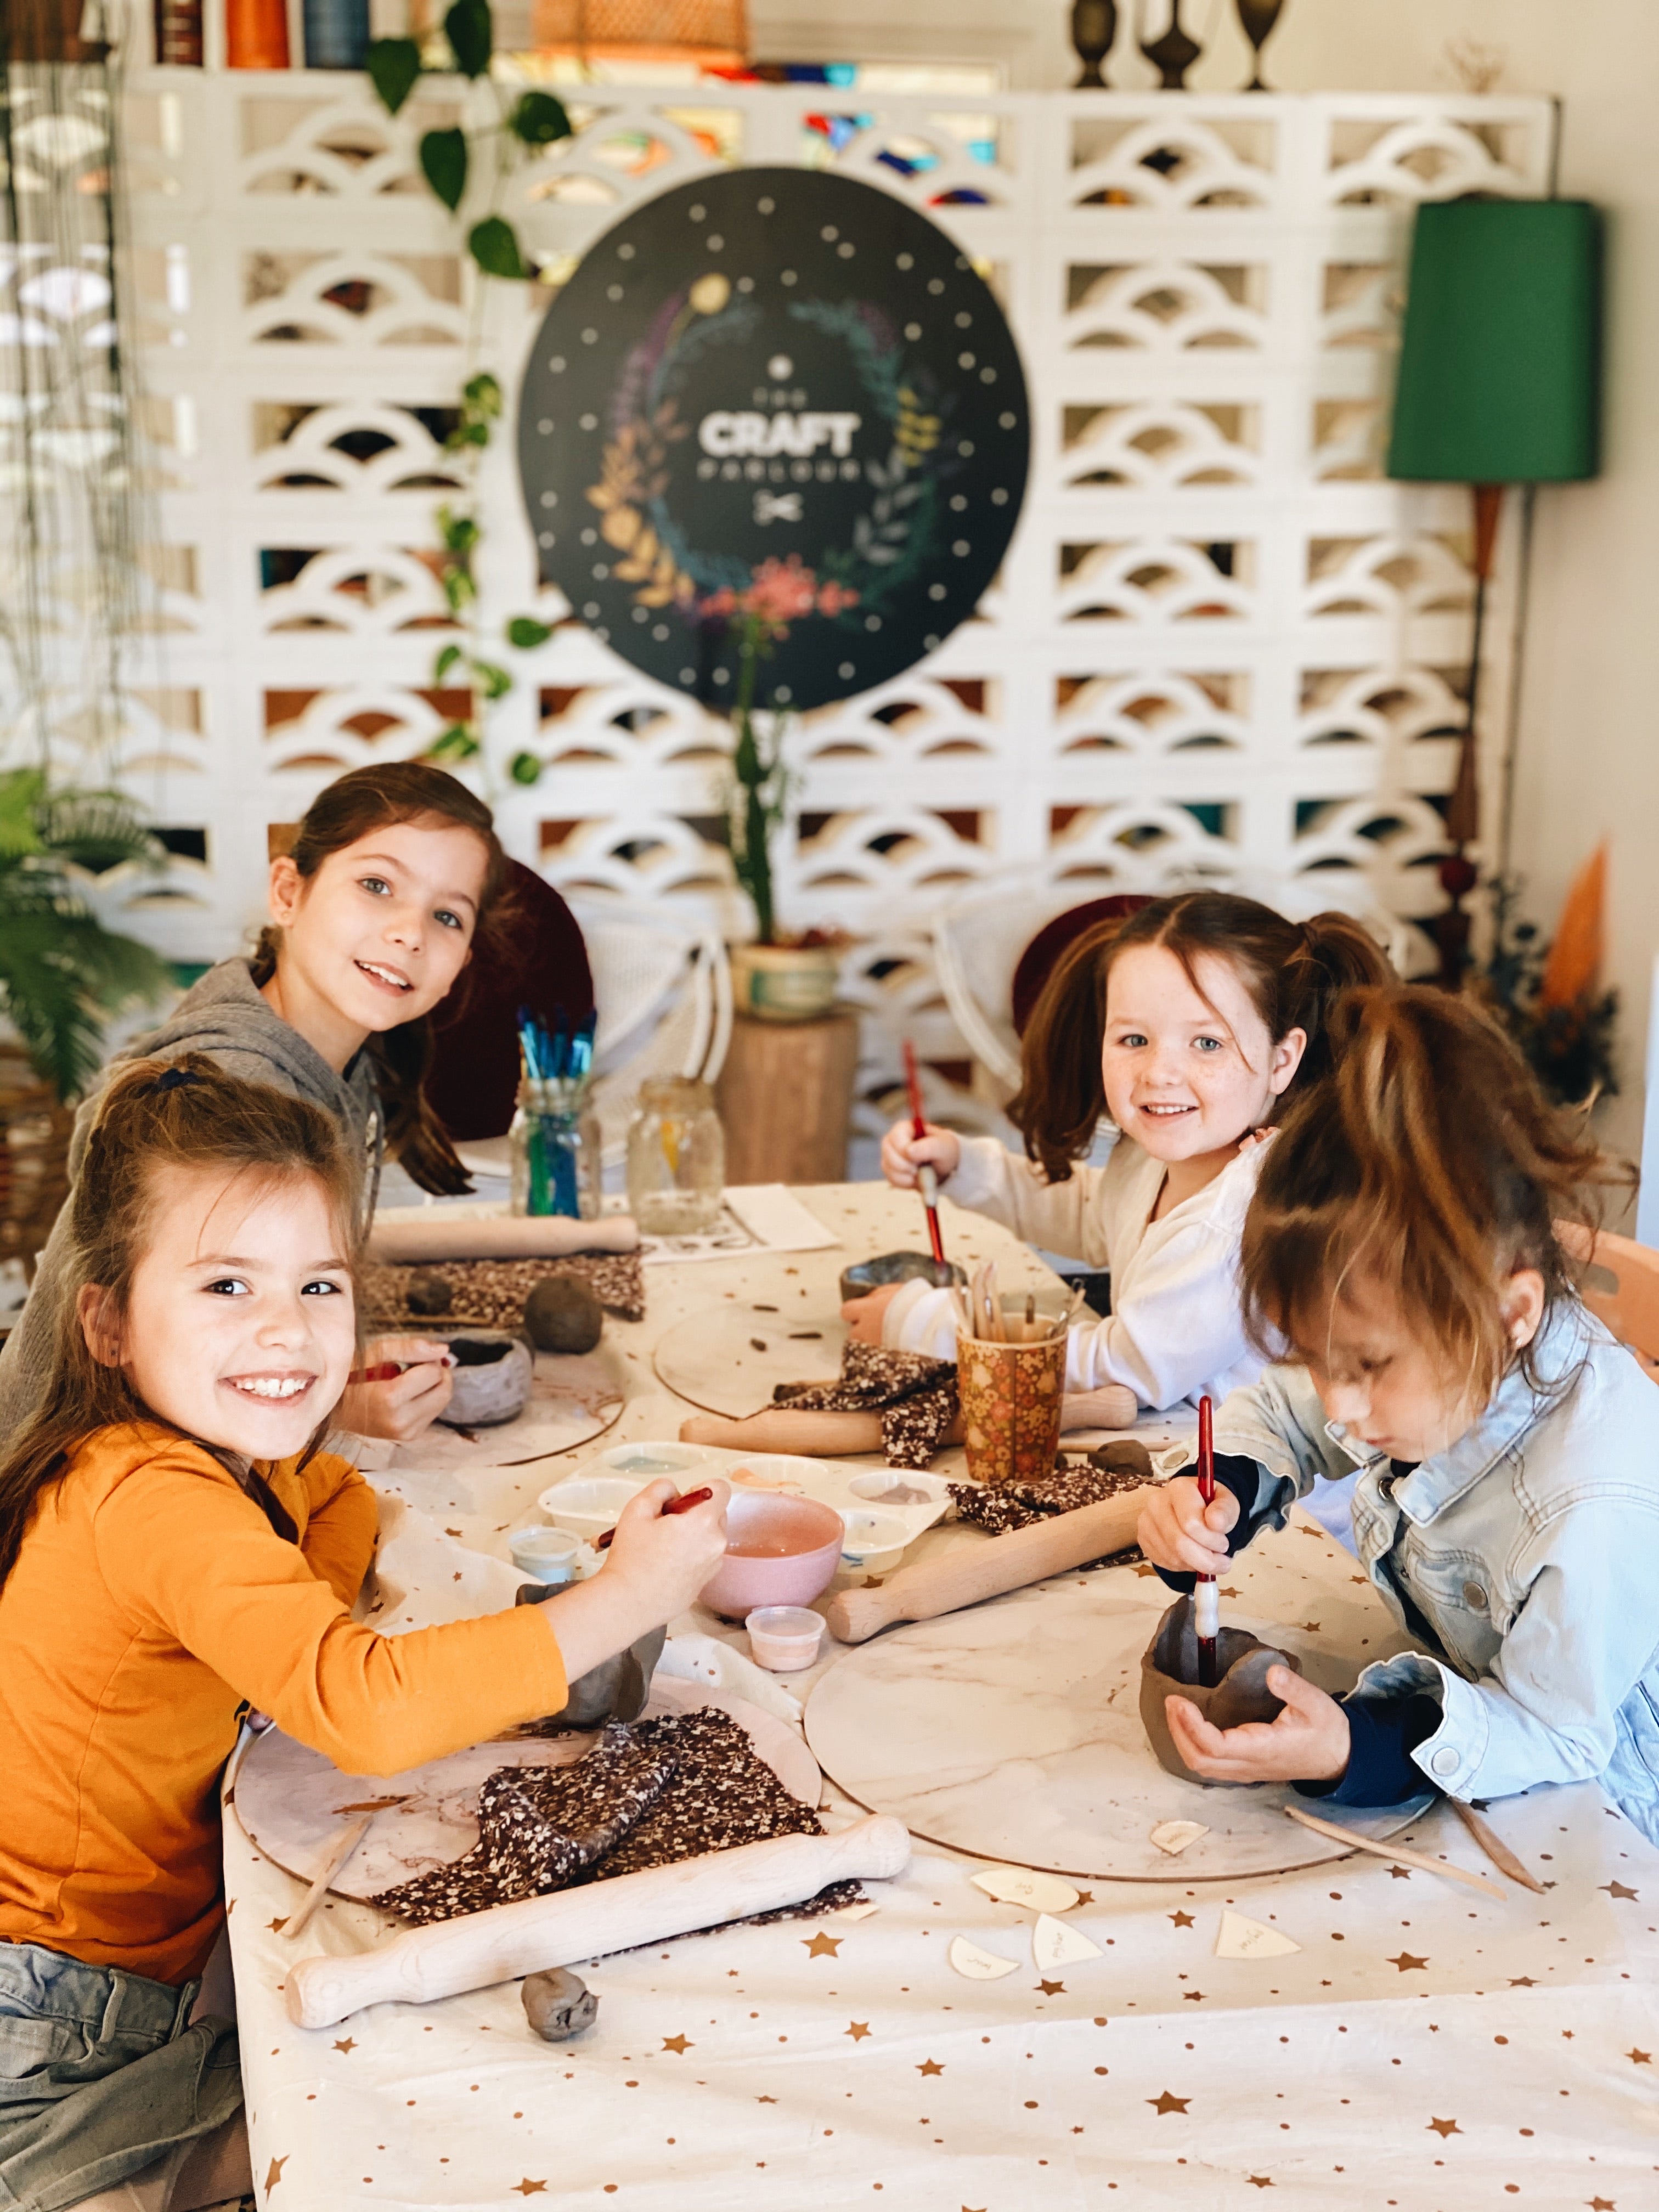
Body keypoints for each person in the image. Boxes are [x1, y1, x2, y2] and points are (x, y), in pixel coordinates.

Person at [0, 1057, 728, 2209]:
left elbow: (331, 1500)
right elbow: (370, 1710)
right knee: (420, 2111)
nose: (286, 1330)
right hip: (61, 2007)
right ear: (108, 1322)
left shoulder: (208, 1462)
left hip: (125, 1952)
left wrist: (297, 1625)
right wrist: (632, 1597)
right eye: (226, 1288)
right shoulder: (151, 1497)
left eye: (320, 1287)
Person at [1133, 985, 1659, 1842]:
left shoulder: (1588, 1507)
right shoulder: (1435, 1340)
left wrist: (1354, 1749)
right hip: (1487, 1728)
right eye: (1316, 1357)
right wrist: (1216, 1491)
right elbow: (1287, 1415)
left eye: (1368, 1368)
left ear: (1512, 1313)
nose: (1339, 1402)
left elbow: (1556, 1735)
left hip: (1612, 1829)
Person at [0, 761, 532, 1444]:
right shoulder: (241, 1084)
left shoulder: (336, 1061)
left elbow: (234, 1314)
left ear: (462, 960)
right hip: (82, 1481)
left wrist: (333, 1366)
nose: (410, 933)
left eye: (447, 916)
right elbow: (150, 1360)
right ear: (288, 892)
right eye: (377, 885)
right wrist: (334, 1408)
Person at [856, 891, 1390, 1415]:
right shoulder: (1155, 1155)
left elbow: (1124, 1364)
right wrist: (966, 1168)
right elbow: (1096, 1213)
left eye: (1207, 1043)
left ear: (1283, 1058)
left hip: (1272, 1496)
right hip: (1172, 1453)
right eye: (1134, 1040)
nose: (1159, 1073)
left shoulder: (1241, 1219)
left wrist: (923, 1325)